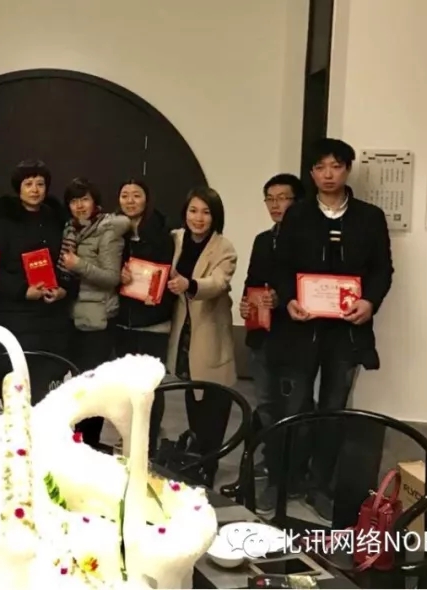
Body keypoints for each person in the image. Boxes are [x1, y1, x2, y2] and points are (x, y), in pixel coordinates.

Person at [270, 137, 394, 521]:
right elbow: (281, 265)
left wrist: (369, 302)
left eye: (336, 166)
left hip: (347, 332)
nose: (328, 174)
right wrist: (289, 299)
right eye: (321, 167)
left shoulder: (369, 217)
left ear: (348, 169)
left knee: (333, 409)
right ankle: (284, 481)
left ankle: (320, 486)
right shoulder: (297, 215)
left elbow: (382, 269)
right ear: (311, 173)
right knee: (294, 406)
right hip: (302, 329)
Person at [0, 159, 74, 403]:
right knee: (16, 391)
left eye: (40, 184)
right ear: (18, 188)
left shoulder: (57, 220)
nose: (35, 190)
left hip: (50, 319)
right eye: (28, 184)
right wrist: (23, 290)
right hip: (15, 317)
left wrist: (63, 289)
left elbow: (67, 262)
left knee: (46, 391)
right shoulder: (3, 222)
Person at [237, 173, 302, 512]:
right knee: (266, 407)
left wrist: (283, 297)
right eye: (270, 199)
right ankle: (273, 471)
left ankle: (286, 478)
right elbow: (252, 281)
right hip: (261, 334)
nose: (276, 205)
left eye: (283, 198)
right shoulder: (263, 240)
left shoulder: (307, 239)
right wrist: (245, 304)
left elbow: (309, 286)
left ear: (297, 201)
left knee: (292, 411)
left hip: (294, 338)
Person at [165, 187, 238, 486]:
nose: (198, 218)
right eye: (193, 211)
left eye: (206, 212)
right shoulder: (176, 239)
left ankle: (210, 464)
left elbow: (218, 283)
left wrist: (190, 284)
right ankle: (196, 459)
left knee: (214, 402)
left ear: (215, 216)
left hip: (209, 333)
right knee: (192, 394)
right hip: (183, 333)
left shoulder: (224, 247)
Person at [59, 177, 129, 447]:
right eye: (74, 201)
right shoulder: (70, 229)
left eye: (84, 199)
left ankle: (88, 443)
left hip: (98, 320)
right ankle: (77, 441)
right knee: (77, 387)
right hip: (72, 316)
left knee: (92, 389)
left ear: (95, 201)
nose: (79, 206)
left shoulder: (108, 231)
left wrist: (78, 265)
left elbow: (112, 277)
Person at [114, 178, 177, 455]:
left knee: (150, 387)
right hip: (122, 322)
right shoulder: (114, 232)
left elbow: (169, 276)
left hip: (154, 322)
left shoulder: (164, 234)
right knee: (125, 387)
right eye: (125, 195)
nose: (130, 201)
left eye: (136, 195)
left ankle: (148, 443)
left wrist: (159, 294)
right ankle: (127, 438)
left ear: (147, 199)